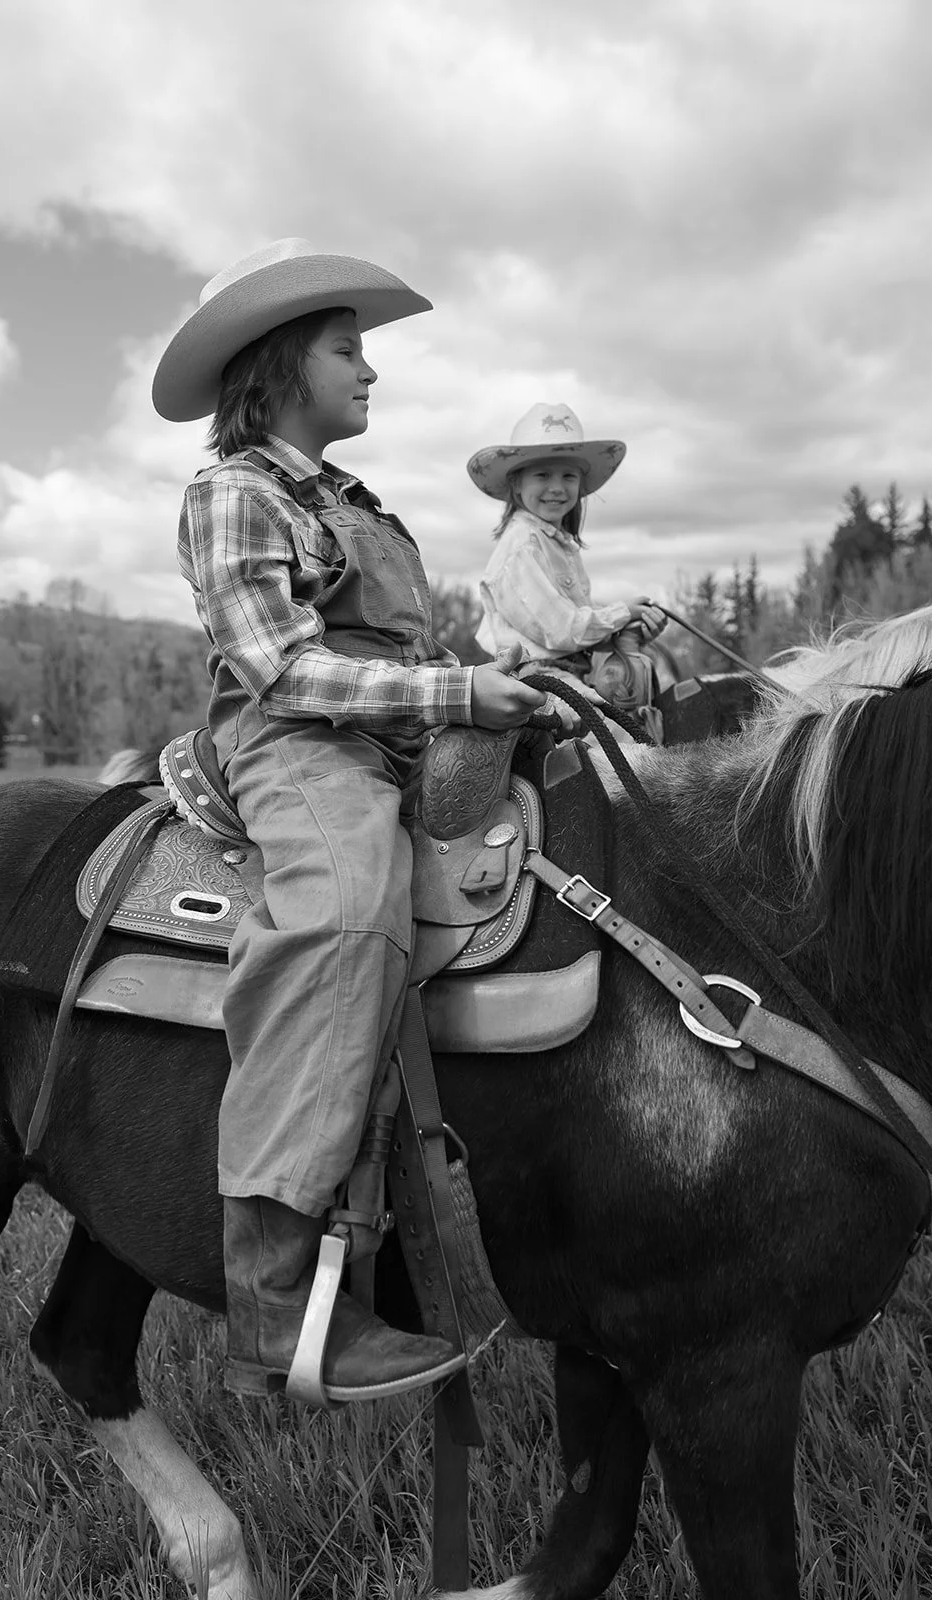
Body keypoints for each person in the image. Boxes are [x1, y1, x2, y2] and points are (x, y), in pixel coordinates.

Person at [152, 238, 556, 1403]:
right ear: (282, 370)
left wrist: (512, 685)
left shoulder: (354, 504)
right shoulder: (232, 493)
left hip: (400, 730)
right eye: (347, 352)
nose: (369, 371)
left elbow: (419, 651)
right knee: (343, 920)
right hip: (298, 749)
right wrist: (450, 695)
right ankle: (278, 1302)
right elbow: (282, 669)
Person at [470, 404, 667, 718]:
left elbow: (571, 628)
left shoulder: (557, 544)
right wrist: (621, 612)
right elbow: (561, 630)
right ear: (517, 483)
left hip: (570, 669)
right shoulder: (522, 544)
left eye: (568, 476)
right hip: (536, 675)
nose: (557, 487)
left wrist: (630, 626)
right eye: (543, 475)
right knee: (613, 730)